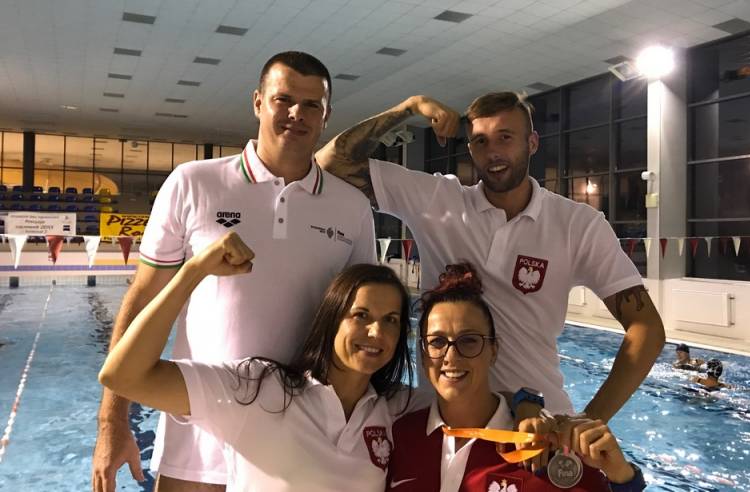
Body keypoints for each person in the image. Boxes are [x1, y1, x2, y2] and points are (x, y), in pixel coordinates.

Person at [92, 51, 377, 492]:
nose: (297, 114)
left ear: (326, 116)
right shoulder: (193, 183)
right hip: (199, 431)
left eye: (311, 105)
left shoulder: (352, 208)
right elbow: (144, 297)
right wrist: (113, 421)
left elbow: (363, 321)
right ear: (258, 102)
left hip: (298, 440)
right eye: (284, 100)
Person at [316, 92, 666, 421]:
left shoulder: (578, 224)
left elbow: (646, 327)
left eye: (505, 138)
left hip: (538, 426)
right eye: (480, 141)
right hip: (443, 423)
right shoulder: (438, 201)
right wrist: (409, 107)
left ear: (532, 143)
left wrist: (590, 421)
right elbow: (330, 163)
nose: (493, 152)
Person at [99, 233, 414, 491]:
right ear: (332, 320)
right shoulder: (255, 389)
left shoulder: (395, 407)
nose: (376, 332)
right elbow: (123, 376)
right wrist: (193, 271)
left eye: (391, 319)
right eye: (361, 315)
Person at [387, 263, 645, 491]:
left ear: (494, 350)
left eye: (469, 340)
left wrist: (622, 477)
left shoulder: (544, 448)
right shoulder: (399, 435)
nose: (451, 356)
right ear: (422, 353)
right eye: (437, 342)